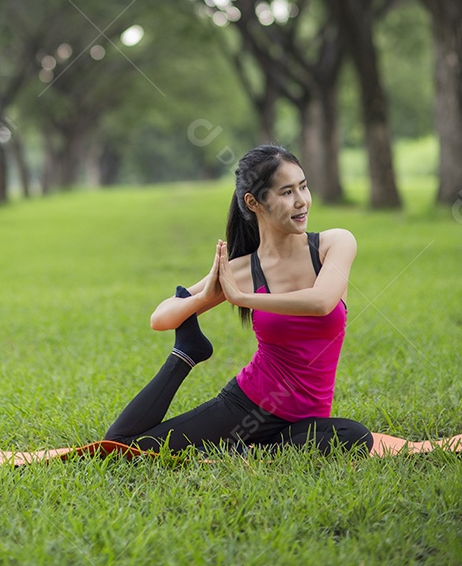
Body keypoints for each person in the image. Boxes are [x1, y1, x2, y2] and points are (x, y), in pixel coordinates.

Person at [104, 144, 461, 458]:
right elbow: (160, 318)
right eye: (286, 192)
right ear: (253, 202)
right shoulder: (242, 269)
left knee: (353, 435)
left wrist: (242, 297)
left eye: (303, 187)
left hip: (308, 419)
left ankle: (245, 452)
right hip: (246, 405)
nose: (302, 200)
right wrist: (207, 295)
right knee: (125, 446)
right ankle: (188, 353)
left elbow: (321, 302)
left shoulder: (333, 244)